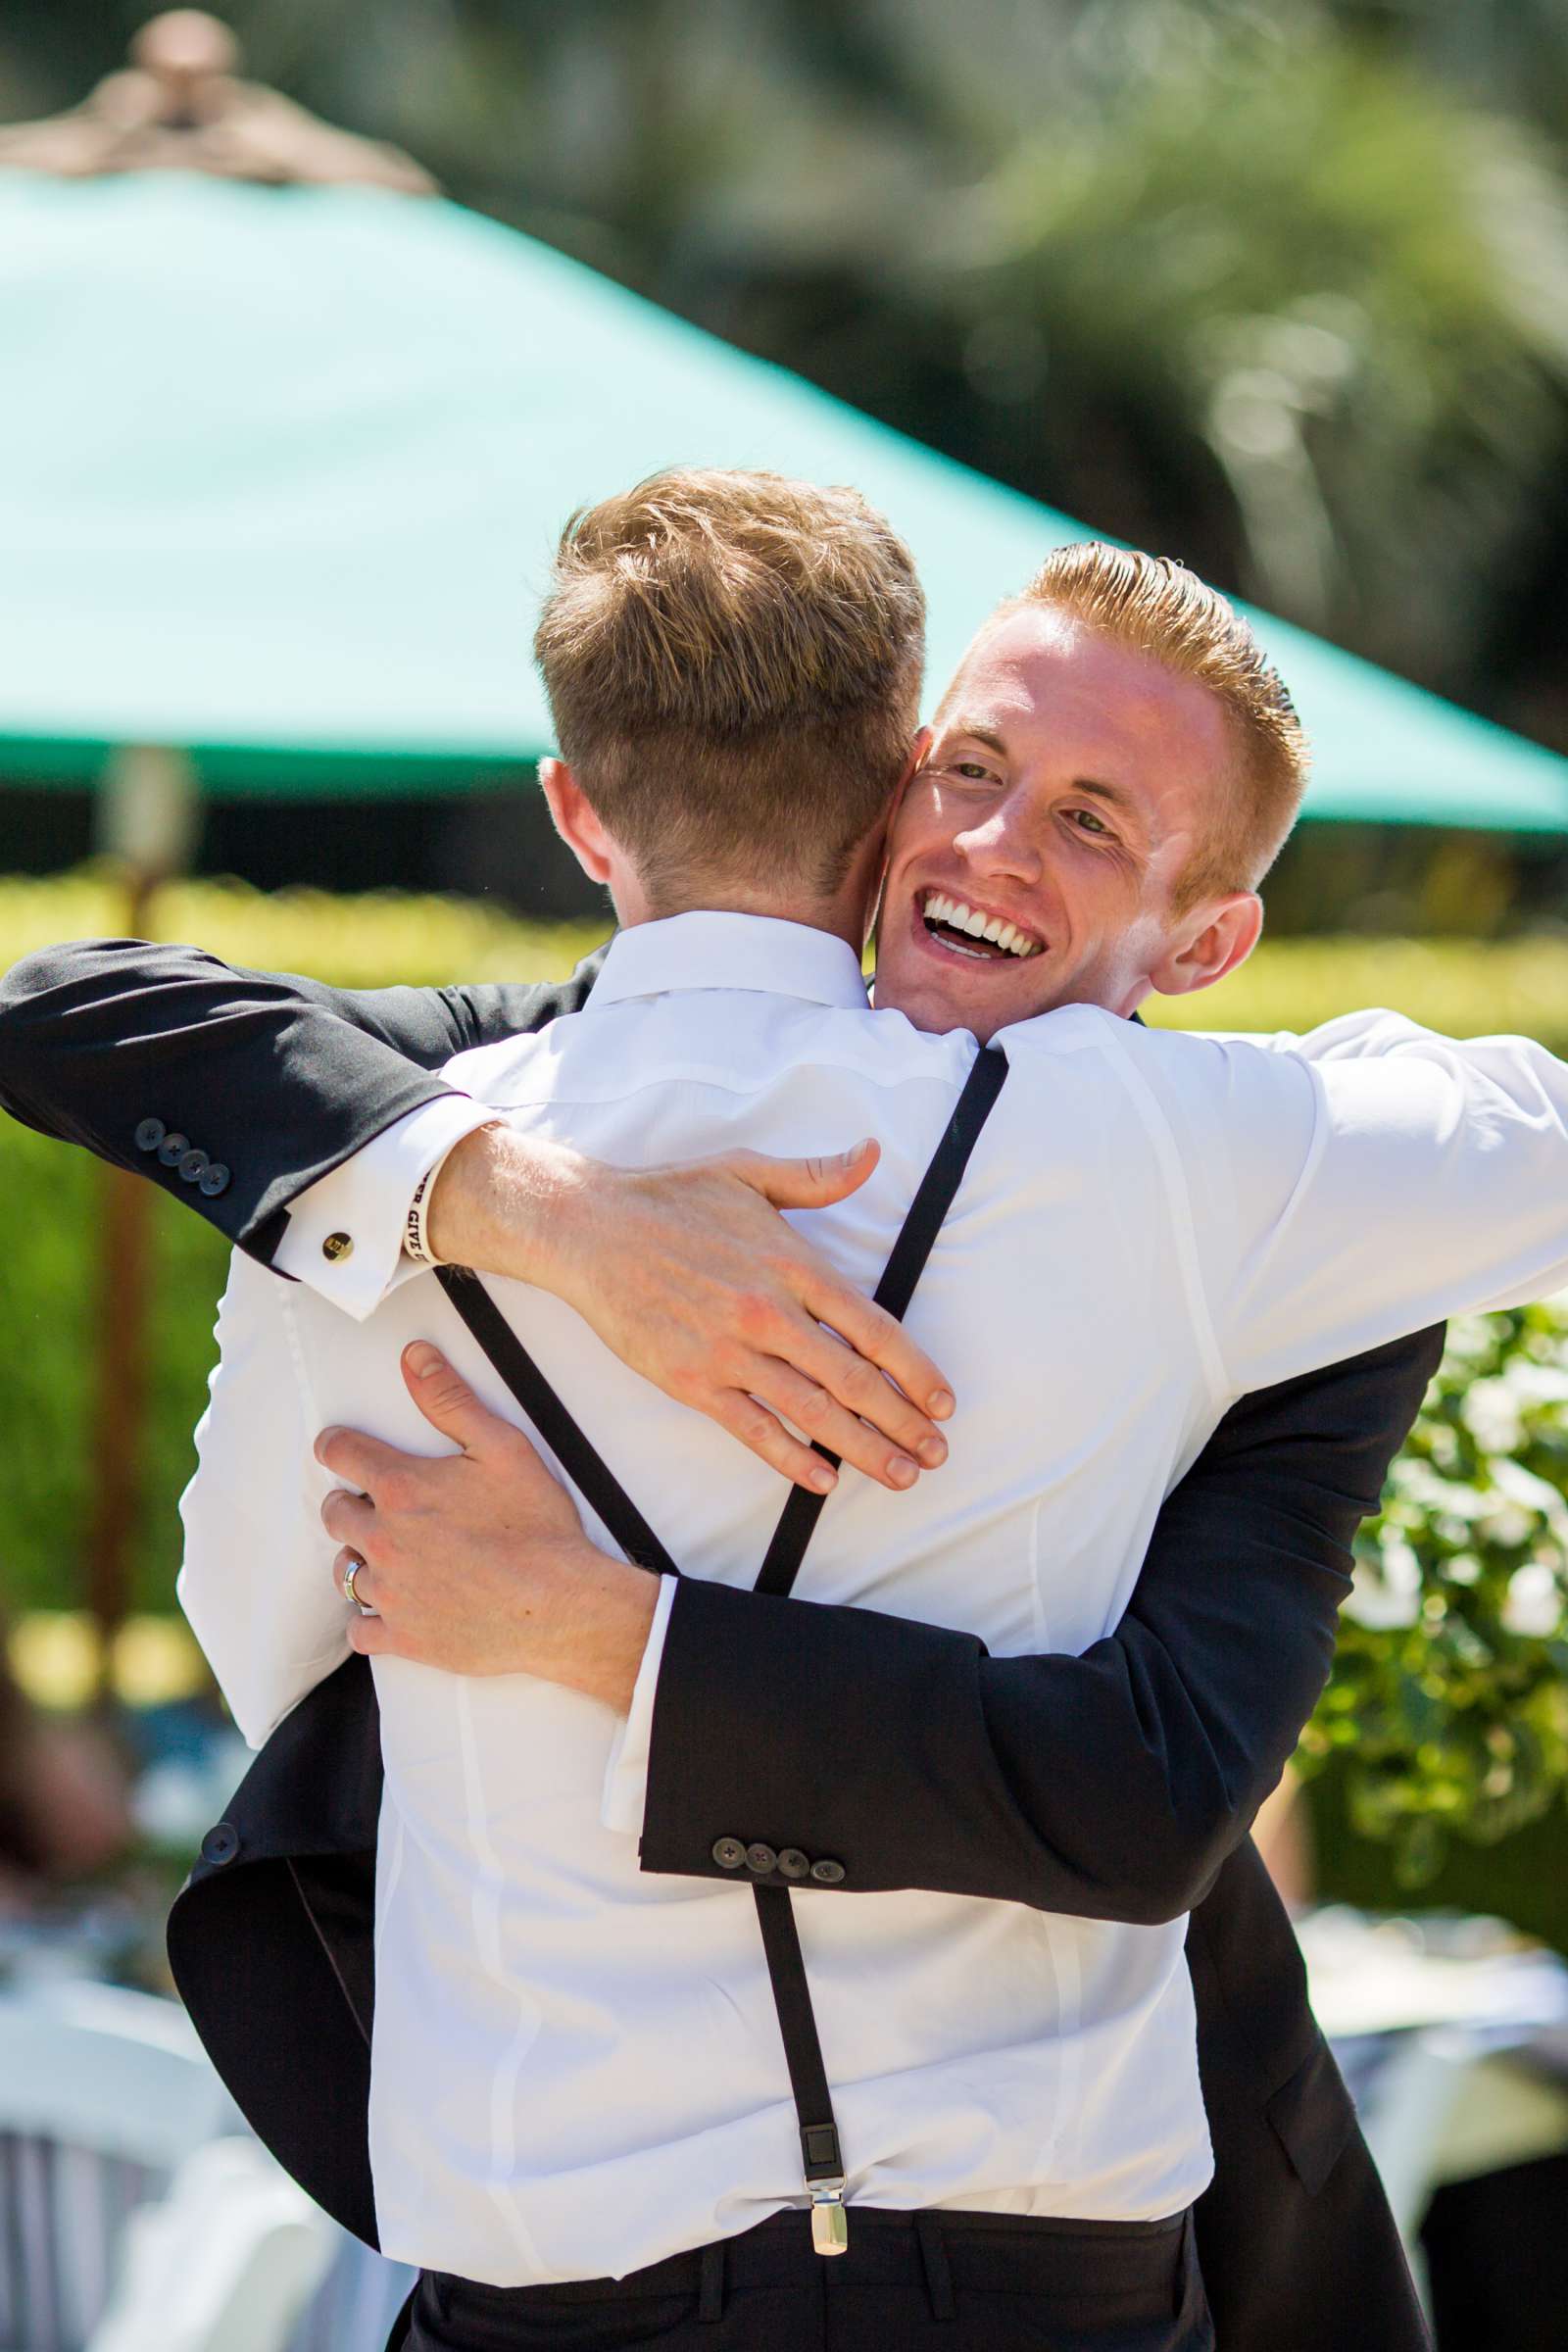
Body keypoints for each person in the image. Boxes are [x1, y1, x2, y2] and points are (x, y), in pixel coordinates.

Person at [0, 504, 1480, 2347]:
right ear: (888, 789)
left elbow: (1149, 1792)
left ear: (1211, 938)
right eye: (974, 768)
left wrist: (604, 1639)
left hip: (803, 2263)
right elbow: (72, 1011)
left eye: (1093, 821)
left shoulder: (1284, 1211)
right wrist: (531, 1205)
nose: (998, 844)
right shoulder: (438, 1124)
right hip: (793, 2280)